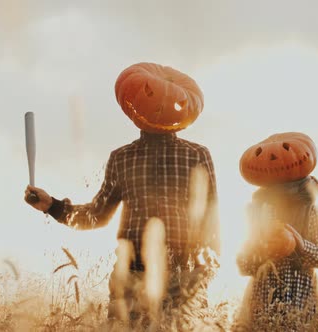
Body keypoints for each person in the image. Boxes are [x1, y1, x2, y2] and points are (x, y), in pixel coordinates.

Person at [24, 62, 220, 329]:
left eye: (168, 103)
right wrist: (51, 205)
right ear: (133, 106)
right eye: (151, 98)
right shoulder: (122, 158)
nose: (160, 108)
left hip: (182, 277)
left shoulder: (197, 155)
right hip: (131, 276)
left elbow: (211, 218)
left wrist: (202, 273)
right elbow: (96, 215)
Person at [234, 133, 318, 331]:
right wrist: (263, 252)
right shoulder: (258, 213)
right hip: (262, 307)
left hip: (301, 306)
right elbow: (243, 264)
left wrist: (300, 244)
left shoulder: (312, 213)